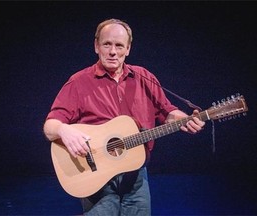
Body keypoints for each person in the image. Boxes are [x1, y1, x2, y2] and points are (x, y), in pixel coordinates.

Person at [43, 18, 205, 216]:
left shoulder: (144, 77)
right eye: (107, 44)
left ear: (128, 49)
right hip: (95, 174)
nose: (113, 52)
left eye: (119, 45)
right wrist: (64, 129)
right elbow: (50, 126)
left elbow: (167, 112)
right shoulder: (78, 82)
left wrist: (185, 119)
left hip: (135, 174)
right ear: (96, 46)